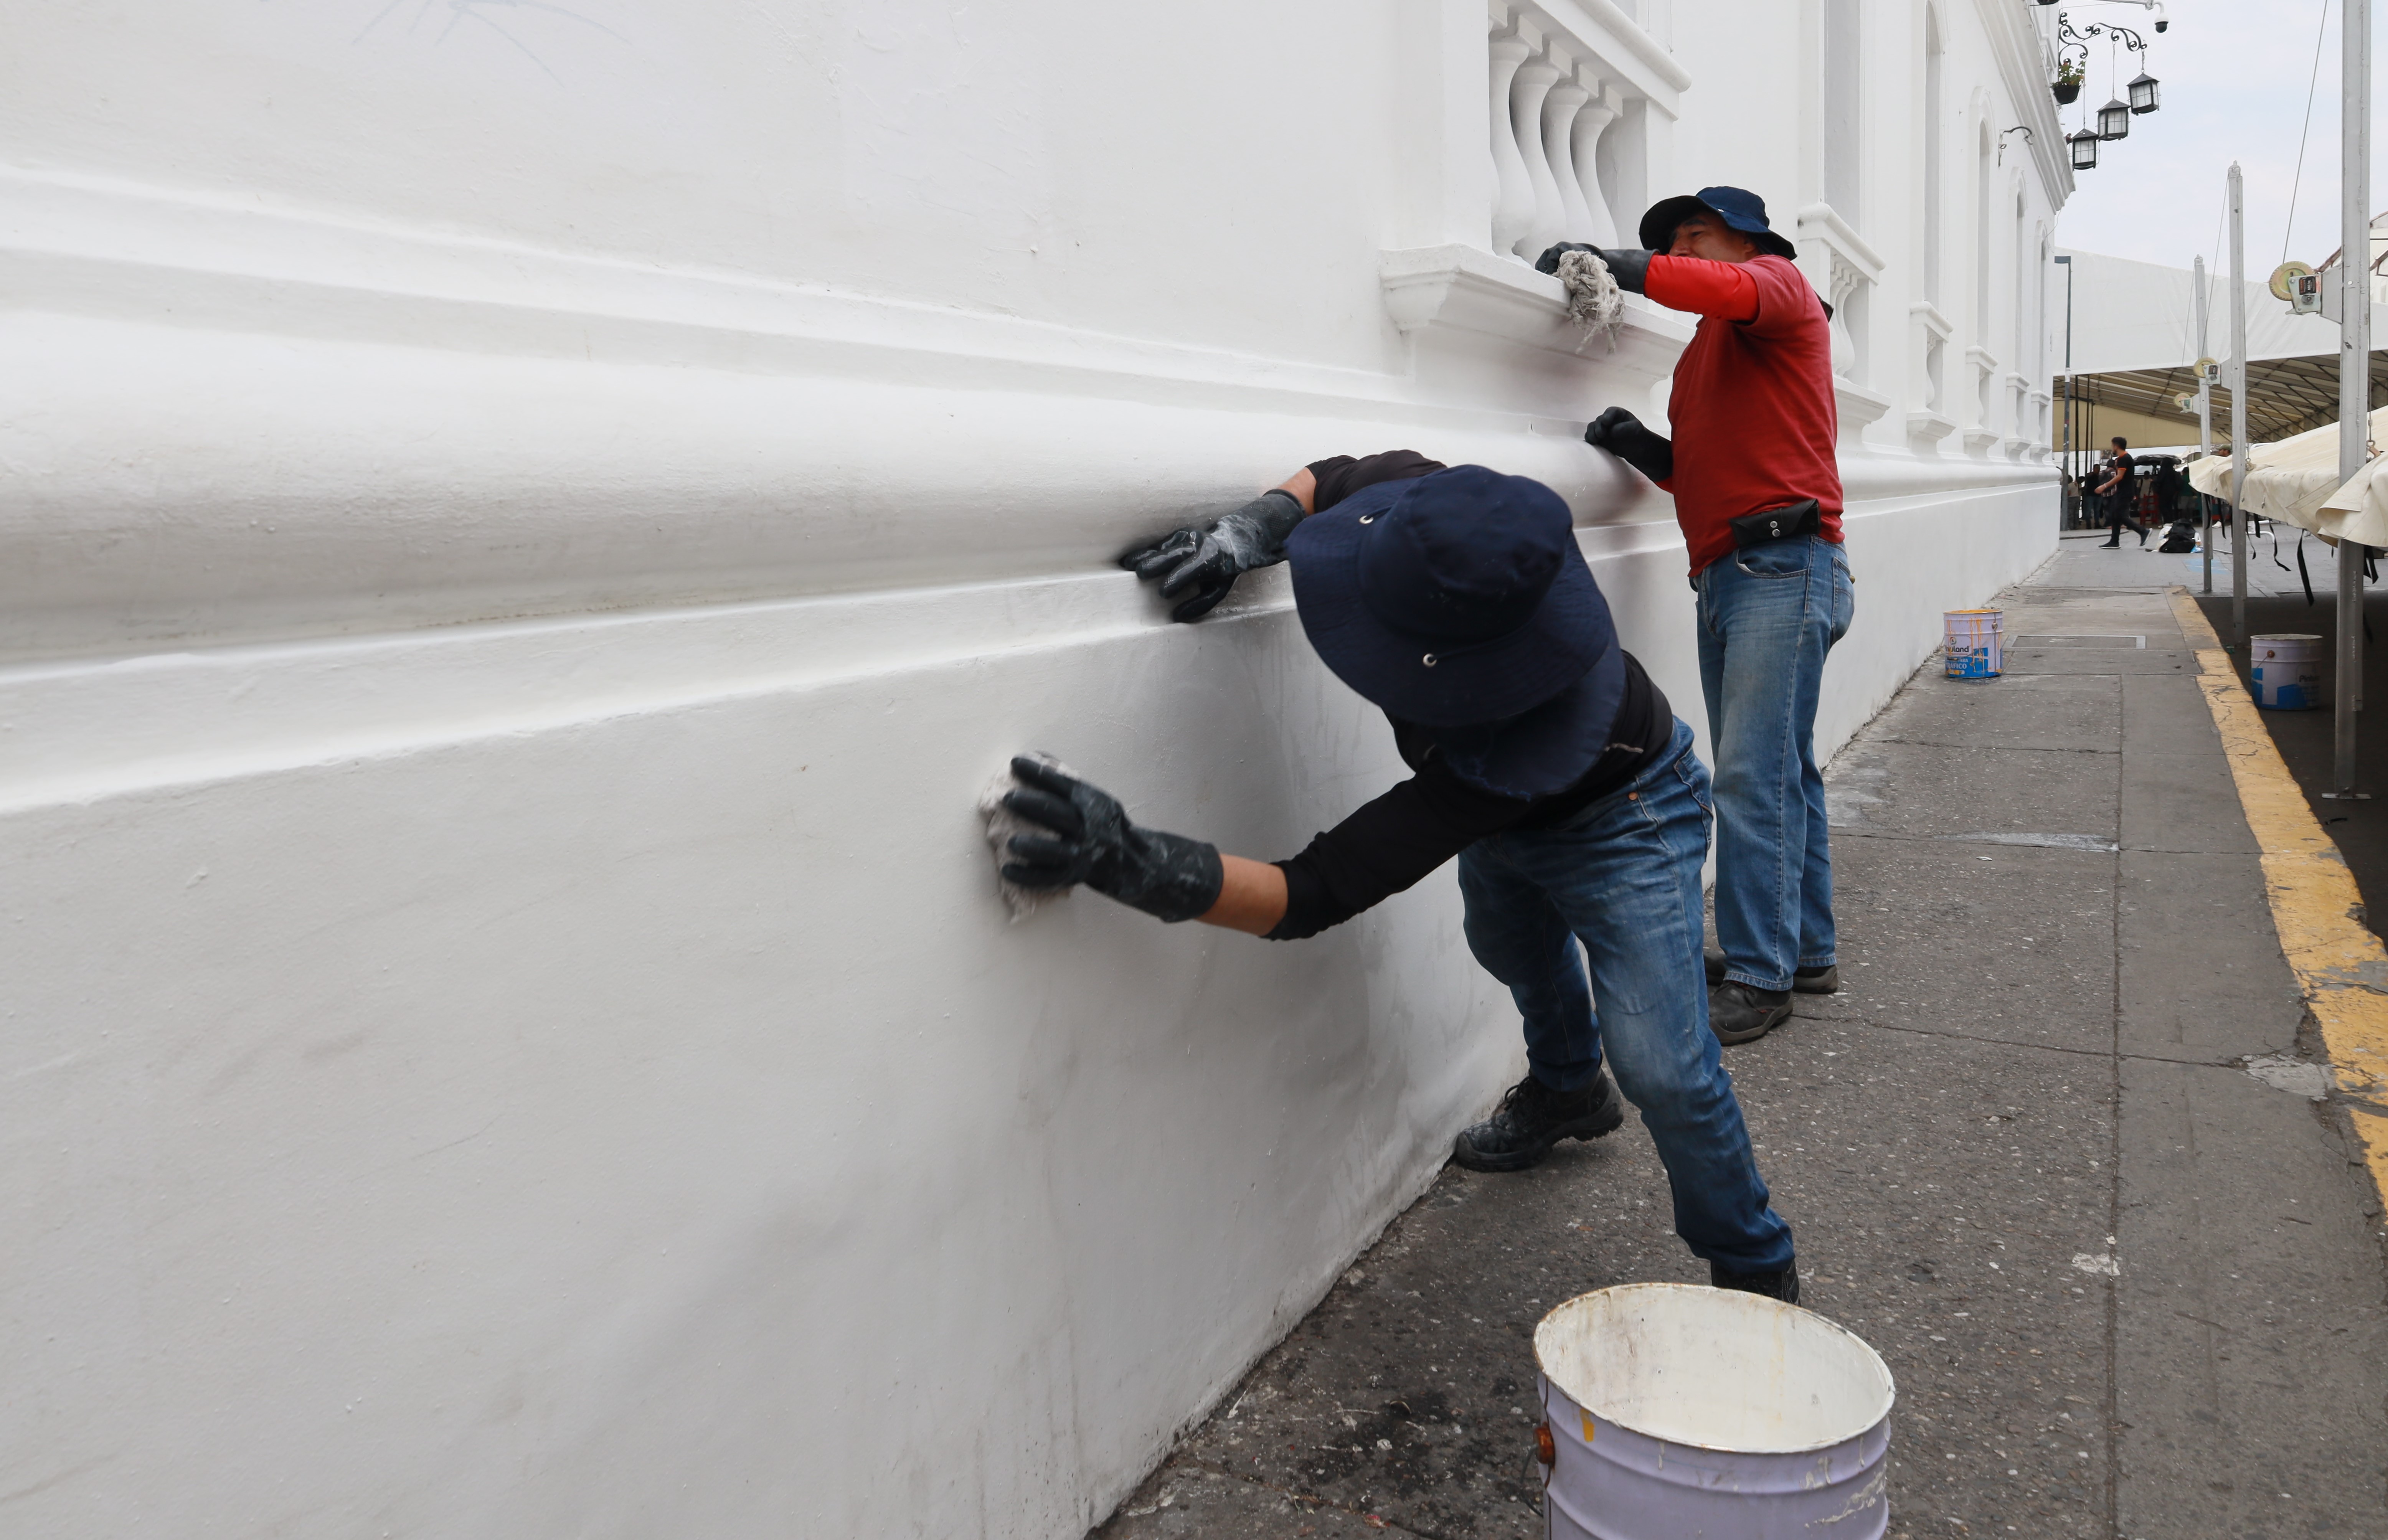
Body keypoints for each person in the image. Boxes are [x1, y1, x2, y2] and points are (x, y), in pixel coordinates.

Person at [1007, 452, 1802, 1300]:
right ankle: (1570, 1090)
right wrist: (1247, 532)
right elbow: (1334, 476)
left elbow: (1313, 890)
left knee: (1662, 1064)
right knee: (1506, 942)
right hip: (1509, 811)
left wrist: (1140, 863)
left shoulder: (1511, 748)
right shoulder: (1452, 522)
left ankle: (1756, 1268)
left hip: (1630, 814)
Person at [1532, 187, 1852, 1046]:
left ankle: (1760, 970)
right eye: (1671, 240)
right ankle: (1803, 948)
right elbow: (1704, 468)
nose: (1680, 248)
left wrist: (1618, 268)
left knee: (1752, 776)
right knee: (1783, 769)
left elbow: (1726, 289)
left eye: (1695, 234)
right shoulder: (1707, 355)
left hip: (1784, 562)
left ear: (1748, 241)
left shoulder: (1781, 287)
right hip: (1734, 572)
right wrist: (1642, 445)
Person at [2095, 437, 2147, 548]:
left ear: (2116, 446)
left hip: (2125, 492)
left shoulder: (2124, 459)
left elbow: (2120, 476)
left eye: (2112, 445)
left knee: (2120, 515)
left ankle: (2143, 531)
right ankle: (2114, 541)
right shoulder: (2123, 458)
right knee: (2115, 515)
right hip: (2122, 491)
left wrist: (2104, 486)